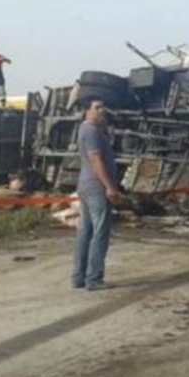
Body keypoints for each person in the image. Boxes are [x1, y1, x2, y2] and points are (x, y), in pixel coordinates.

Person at [71, 96, 122, 291]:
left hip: (86, 186)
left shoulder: (87, 130)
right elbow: (96, 160)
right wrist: (109, 186)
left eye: (103, 107)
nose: (102, 111)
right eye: (98, 107)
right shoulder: (91, 131)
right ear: (87, 110)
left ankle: (78, 276)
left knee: (85, 231)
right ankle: (94, 278)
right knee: (100, 232)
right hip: (96, 188)